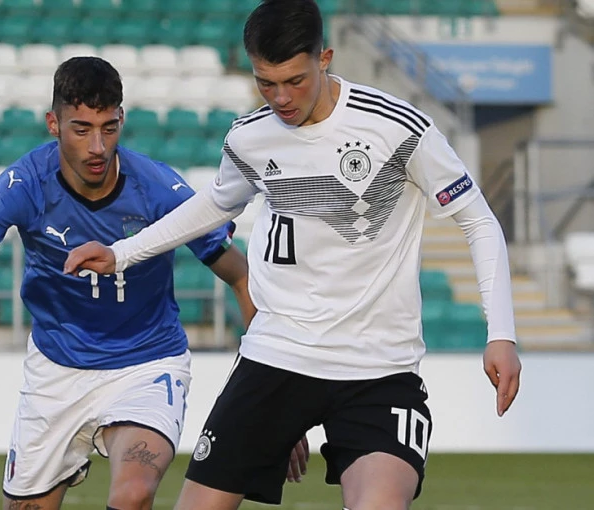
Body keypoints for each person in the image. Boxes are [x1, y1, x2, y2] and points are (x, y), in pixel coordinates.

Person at [63, 2, 523, 509]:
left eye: (294, 81)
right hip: (277, 356)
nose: (281, 98)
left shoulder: (398, 128)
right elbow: (216, 203)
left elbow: (478, 221)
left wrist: (501, 333)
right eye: (266, 83)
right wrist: (121, 253)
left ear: (324, 58)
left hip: (378, 367)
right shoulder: (250, 136)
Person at [0, 56, 260, 510]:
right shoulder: (23, 184)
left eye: (109, 128)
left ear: (122, 119)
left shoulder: (158, 189)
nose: (97, 146)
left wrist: (264, 385)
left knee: (134, 493)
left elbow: (241, 276)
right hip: (56, 371)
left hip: (146, 365)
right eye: (81, 129)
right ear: (53, 124)